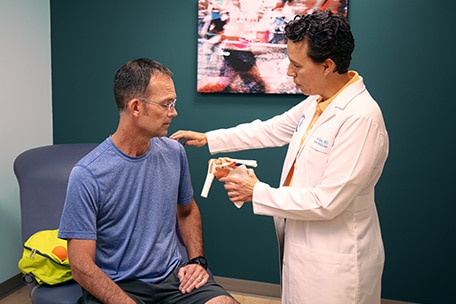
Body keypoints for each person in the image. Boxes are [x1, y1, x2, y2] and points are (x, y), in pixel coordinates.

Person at [171, 10, 389, 304]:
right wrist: (209, 139)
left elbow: (326, 202)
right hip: (301, 249)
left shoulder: (361, 118)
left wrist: (255, 191)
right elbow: (270, 130)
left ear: (327, 65)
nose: (289, 72)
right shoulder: (317, 102)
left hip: (337, 264)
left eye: (297, 65)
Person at [58, 58, 239, 304]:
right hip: (117, 286)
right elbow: (80, 266)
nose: (173, 112)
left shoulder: (174, 152)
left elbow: (186, 212)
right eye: (166, 104)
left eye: (173, 103)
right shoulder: (88, 174)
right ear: (135, 107)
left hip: (172, 279)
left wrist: (197, 260)